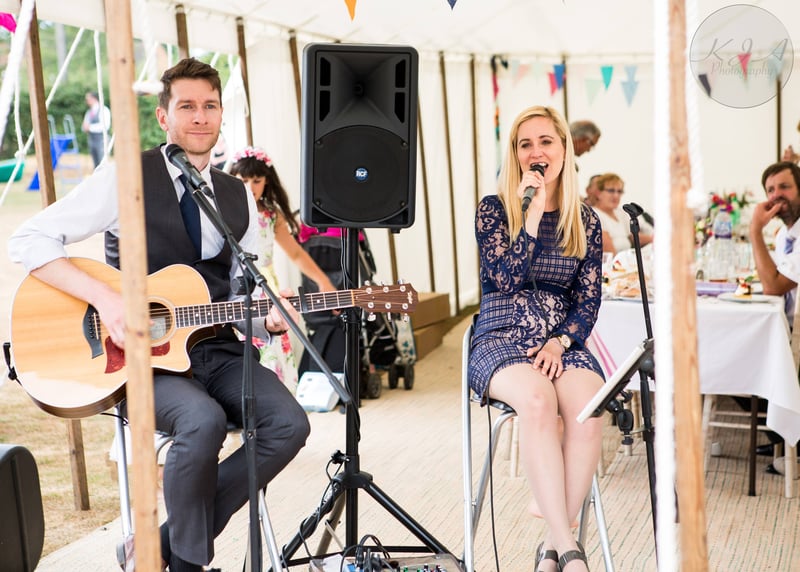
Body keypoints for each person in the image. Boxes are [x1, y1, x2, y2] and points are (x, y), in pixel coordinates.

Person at [8, 58, 311, 572]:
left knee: (289, 423)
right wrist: (106, 299)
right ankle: (189, 565)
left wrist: (266, 320)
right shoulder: (124, 178)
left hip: (217, 349)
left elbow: (239, 293)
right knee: (202, 421)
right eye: (187, 106)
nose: (200, 117)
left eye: (210, 106)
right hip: (141, 356)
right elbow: (29, 239)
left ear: (222, 114)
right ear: (163, 117)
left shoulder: (237, 194)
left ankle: (163, 542)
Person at [468, 105, 604, 572]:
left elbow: (588, 300)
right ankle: (569, 549)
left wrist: (560, 342)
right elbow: (504, 280)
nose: (536, 151)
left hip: (558, 341)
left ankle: (549, 552)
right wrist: (528, 214)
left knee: (588, 409)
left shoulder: (586, 221)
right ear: (515, 155)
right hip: (501, 334)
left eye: (546, 141)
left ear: (564, 149)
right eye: (525, 144)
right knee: (539, 400)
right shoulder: (493, 210)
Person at [229, 146, 337, 392]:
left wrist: (324, 282)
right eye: (243, 180)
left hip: (267, 288)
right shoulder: (225, 210)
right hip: (236, 288)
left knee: (273, 347)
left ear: (267, 181)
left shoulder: (271, 215)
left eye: (257, 181)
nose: (250, 187)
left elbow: (296, 253)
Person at [746, 160, 800, 471]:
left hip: (797, 334)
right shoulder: (785, 234)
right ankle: (781, 434)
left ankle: (790, 438)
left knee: (742, 356)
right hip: (787, 325)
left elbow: (773, 286)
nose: (777, 195)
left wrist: (755, 230)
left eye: (785, 187)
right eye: (770, 190)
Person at [592, 172, 653, 254]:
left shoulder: (620, 213)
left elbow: (633, 236)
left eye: (619, 191)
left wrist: (657, 239)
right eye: (611, 191)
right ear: (598, 193)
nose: (616, 196)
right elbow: (610, 254)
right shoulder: (594, 215)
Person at [81, 91, 111, 168]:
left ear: (94, 99)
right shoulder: (89, 112)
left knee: (103, 164)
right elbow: (84, 126)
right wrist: (85, 128)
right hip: (92, 141)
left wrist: (90, 127)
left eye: (88, 99)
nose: (86, 101)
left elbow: (105, 126)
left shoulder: (104, 110)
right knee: (96, 165)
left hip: (102, 141)